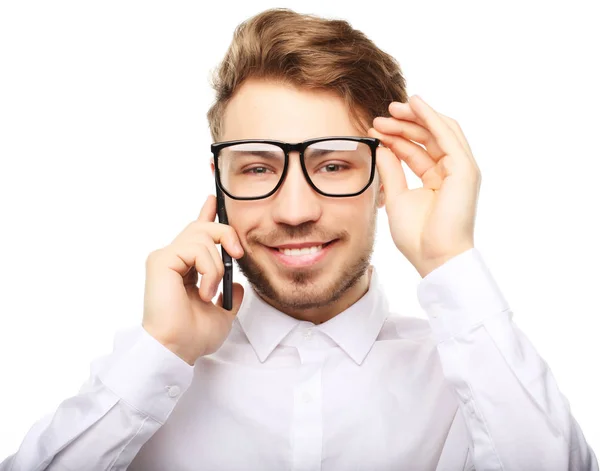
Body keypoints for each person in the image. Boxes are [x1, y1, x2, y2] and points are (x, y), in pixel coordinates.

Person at [1, 7, 597, 471]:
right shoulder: (155, 373)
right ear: (222, 183)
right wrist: (159, 352)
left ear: (385, 179)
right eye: (258, 167)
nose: (294, 210)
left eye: (334, 165)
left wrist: (450, 262)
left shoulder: (469, 370)